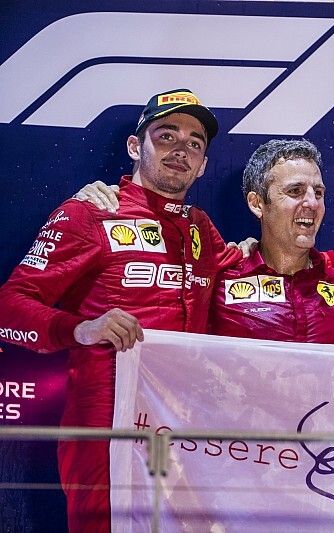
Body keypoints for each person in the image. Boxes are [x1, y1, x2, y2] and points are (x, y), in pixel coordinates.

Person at [0, 89, 240, 531]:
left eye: (194, 143)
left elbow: (259, 271)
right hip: (103, 431)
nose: (180, 150)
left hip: (181, 436)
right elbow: (8, 308)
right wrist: (81, 329)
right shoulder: (90, 212)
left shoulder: (201, 229)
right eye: (166, 136)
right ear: (135, 146)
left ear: (203, 164)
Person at [208, 138, 334, 344]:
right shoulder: (219, 283)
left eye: (318, 193)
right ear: (257, 204)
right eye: (295, 191)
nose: (312, 202)